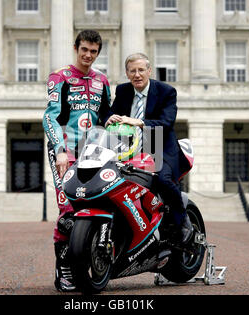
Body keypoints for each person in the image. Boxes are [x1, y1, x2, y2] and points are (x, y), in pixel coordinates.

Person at [43, 30, 111, 292]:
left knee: (94, 204)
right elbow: (50, 116)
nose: (88, 55)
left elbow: (107, 116)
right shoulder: (59, 76)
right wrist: (59, 149)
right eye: (84, 49)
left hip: (93, 152)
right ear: (76, 48)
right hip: (64, 150)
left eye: (93, 51)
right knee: (68, 211)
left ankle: (95, 260)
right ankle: (65, 271)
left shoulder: (102, 80)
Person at [103, 53, 193, 245]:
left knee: (163, 180)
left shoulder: (166, 91)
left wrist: (139, 122)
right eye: (132, 71)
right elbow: (112, 112)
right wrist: (108, 119)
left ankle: (182, 220)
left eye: (141, 70)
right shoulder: (123, 90)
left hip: (161, 147)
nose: (137, 74)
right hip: (129, 149)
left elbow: (167, 123)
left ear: (149, 71)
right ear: (127, 73)